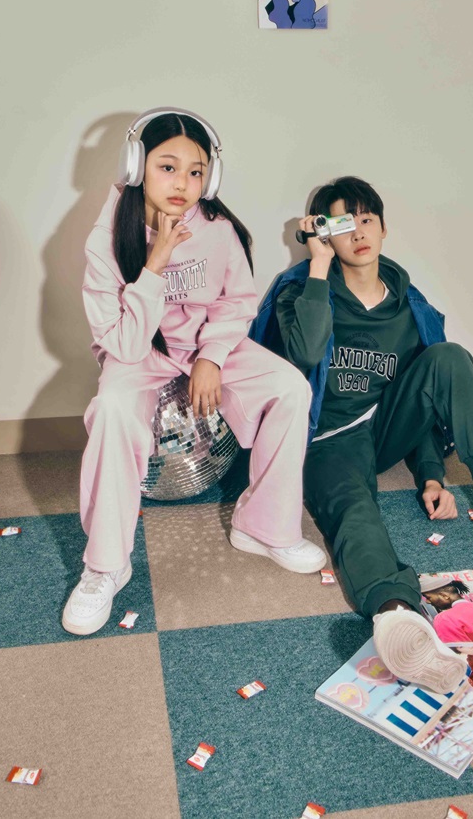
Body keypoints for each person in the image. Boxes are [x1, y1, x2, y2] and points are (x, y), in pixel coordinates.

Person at [250, 175, 473, 694]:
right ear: (324, 235)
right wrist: (317, 266)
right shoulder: (302, 291)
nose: (358, 233)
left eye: (367, 220)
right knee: (354, 511)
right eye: (342, 224)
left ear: (384, 228)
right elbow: (307, 352)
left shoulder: (410, 305)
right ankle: (397, 616)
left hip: (385, 429)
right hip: (326, 438)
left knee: (448, 356)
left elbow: (423, 396)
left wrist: (430, 473)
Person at [62, 109, 325, 636]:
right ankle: (105, 566)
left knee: (290, 388)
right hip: (139, 353)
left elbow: (236, 302)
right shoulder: (105, 239)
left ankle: (263, 527)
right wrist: (155, 264)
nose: (183, 184)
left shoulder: (218, 230)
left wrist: (211, 357)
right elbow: (121, 343)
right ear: (137, 166)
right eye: (168, 167)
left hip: (208, 344)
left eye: (196, 171)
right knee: (111, 410)